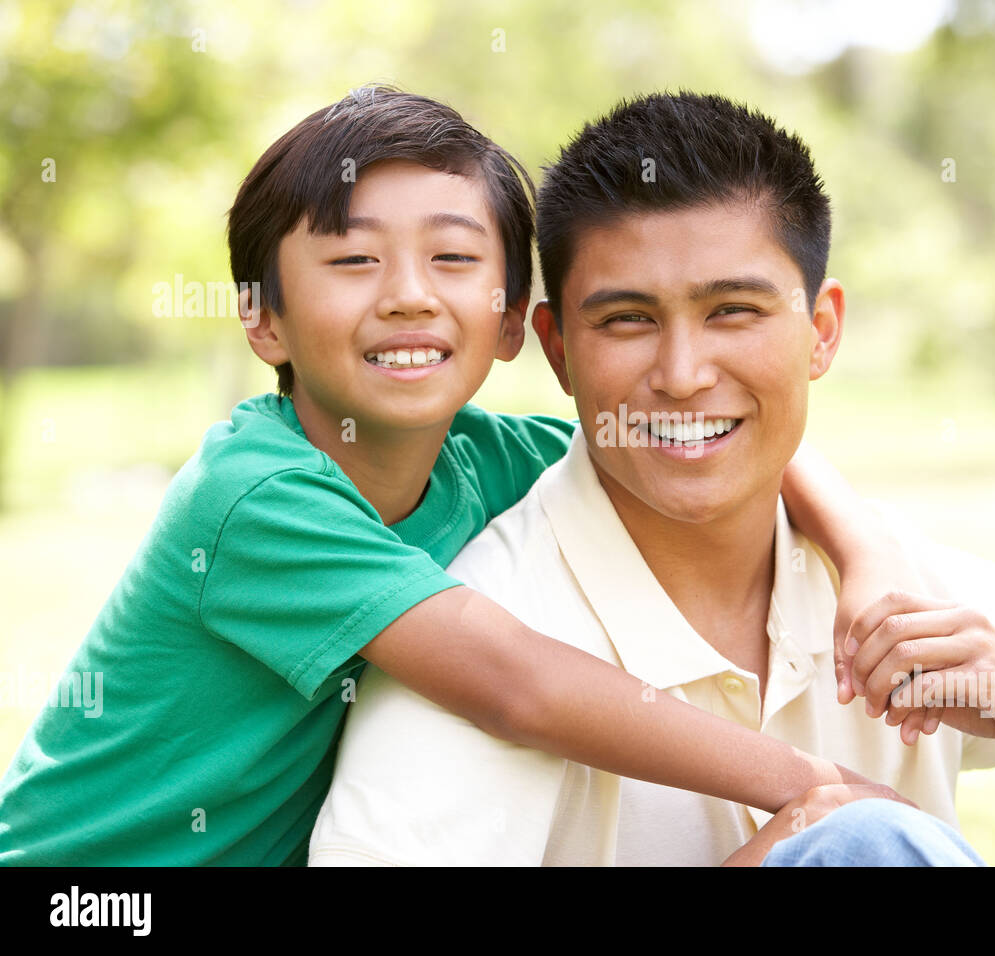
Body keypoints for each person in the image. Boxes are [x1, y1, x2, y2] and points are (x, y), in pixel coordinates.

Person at [311, 91, 995, 867]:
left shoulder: (884, 582)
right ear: (557, 349)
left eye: (733, 310)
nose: (684, 371)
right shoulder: (488, 630)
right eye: (627, 320)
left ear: (821, 329)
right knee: (862, 848)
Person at [0, 88, 931, 866]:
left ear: (513, 322)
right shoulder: (252, 496)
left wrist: (869, 555)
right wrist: (807, 785)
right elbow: (512, 683)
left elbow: (711, 438)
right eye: (355, 260)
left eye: (452, 259)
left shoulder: (489, 458)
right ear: (263, 320)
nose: (409, 292)